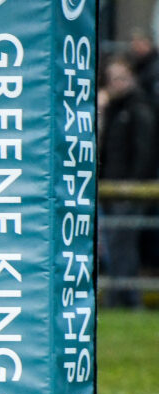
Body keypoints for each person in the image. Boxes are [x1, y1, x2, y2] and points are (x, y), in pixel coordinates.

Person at [99, 59, 156, 308]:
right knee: (115, 244)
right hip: (111, 187)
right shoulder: (113, 108)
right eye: (112, 78)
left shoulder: (138, 108)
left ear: (131, 78)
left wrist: (132, 185)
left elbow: (145, 150)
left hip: (129, 190)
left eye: (121, 77)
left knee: (123, 244)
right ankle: (121, 296)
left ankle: (126, 298)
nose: (115, 83)